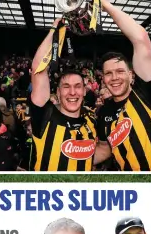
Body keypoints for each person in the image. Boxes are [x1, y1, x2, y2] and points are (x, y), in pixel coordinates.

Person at [95, 0, 151, 172]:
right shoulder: (103, 112)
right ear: (103, 79)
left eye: (120, 71)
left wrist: (106, 6)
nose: (114, 77)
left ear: (131, 75)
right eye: (108, 73)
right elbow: (105, 149)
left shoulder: (145, 94)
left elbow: (141, 39)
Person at [28, 18, 100, 172]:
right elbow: (38, 69)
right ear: (58, 93)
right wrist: (56, 29)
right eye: (66, 87)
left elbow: (99, 151)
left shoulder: (92, 121)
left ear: (85, 91)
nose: (72, 92)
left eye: (77, 86)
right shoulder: (44, 116)